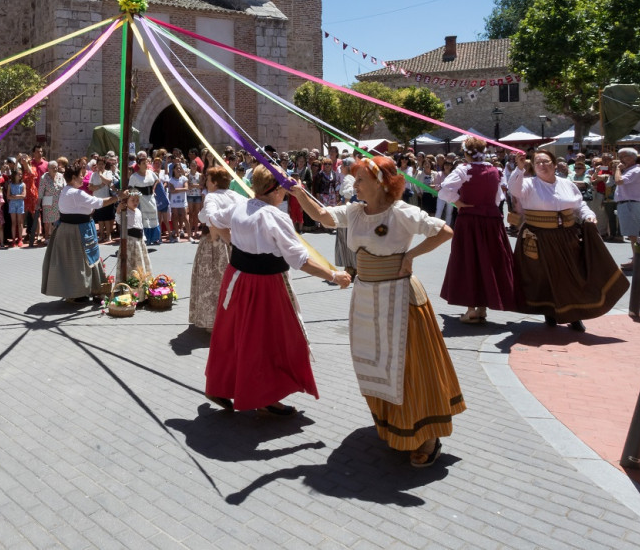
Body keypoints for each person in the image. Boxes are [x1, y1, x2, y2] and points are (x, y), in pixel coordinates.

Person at [293, 156, 461, 467]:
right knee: (376, 362)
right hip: (367, 296)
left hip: (400, 298)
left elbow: (444, 232)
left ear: (381, 183)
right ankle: (391, 423)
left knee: (410, 367)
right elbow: (323, 216)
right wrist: (299, 192)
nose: (353, 185)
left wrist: (411, 254)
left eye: (359, 180)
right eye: (353, 179)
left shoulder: (401, 212)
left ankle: (427, 436)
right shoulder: (355, 212)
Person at [203, 165, 351, 417]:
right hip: (264, 285)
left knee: (231, 335)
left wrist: (231, 238)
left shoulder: (241, 206)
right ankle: (266, 397)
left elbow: (212, 218)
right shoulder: (274, 216)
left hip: (236, 278)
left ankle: (220, 385)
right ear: (277, 189)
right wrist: (333, 275)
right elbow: (300, 259)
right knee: (270, 340)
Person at [508, 151, 628, 331]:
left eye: (546, 161)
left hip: (567, 236)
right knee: (543, 277)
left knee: (572, 276)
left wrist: (588, 216)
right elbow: (514, 189)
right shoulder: (527, 184)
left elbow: (580, 205)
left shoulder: (567, 184)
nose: (542, 165)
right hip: (537, 237)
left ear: (555, 164)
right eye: (537, 162)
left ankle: (575, 314)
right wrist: (519, 168)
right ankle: (549, 311)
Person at [437, 138, 518, 324]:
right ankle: (482, 308)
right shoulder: (496, 170)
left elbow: (444, 190)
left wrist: (458, 202)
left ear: (465, 153)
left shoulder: (463, 170)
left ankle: (472, 308)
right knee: (488, 261)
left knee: (469, 260)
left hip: (470, 221)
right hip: (492, 222)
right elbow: (499, 198)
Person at [41, 161, 122, 302]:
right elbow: (99, 203)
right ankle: (77, 293)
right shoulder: (76, 193)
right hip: (77, 230)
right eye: (80, 175)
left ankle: (75, 292)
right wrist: (118, 197)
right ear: (72, 178)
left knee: (71, 264)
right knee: (80, 263)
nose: (82, 178)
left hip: (66, 229)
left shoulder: (65, 191)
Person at [188, 168, 245, 330]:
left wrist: (214, 237)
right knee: (230, 281)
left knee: (212, 281)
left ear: (214, 182)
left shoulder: (211, 197)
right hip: (234, 243)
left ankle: (213, 322)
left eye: (208, 180)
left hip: (213, 242)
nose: (206, 183)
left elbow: (211, 219)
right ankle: (232, 319)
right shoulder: (237, 196)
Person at [612, 148, 640, 270]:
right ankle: (635, 260)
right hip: (627, 204)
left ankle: (637, 262)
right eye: (619, 156)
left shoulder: (635, 171)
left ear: (632, 158)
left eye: (623, 156)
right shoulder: (630, 170)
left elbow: (619, 181)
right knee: (632, 235)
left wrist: (617, 169)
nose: (620, 159)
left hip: (630, 204)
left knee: (633, 235)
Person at [128, 152, 161, 245]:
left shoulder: (151, 173)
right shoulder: (134, 176)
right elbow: (130, 188)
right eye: (143, 163)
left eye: (147, 162)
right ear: (138, 165)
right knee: (142, 218)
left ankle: (154, 238)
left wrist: (153, 189)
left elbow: (157, 180)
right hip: (141, 200)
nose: (146, 165)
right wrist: (137, 195)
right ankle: (144, 238)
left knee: (153, 217)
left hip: (151, 198)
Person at [38, 158, 67, 233]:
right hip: (48, 200)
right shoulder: (44, 177)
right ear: (48, 169)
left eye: (56, 167)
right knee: (47, 220)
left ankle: (56, 236)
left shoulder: (61, 176)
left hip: (59, 200)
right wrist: (38, 203)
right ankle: (47, 237)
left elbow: (65, 188)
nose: (55, 169)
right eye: (53, 167)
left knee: (57, 220)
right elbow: (40, 191)